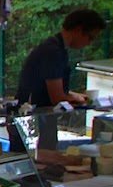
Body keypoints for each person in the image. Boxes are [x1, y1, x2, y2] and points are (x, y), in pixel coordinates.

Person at [9, 8, 106, 150]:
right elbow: (57, 98)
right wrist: (80, 102)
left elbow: (50, 85)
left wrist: (75, 95)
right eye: (91, 37)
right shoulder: (53, 52)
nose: (90, 43)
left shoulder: (56, 48)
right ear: (78, 30)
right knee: (40, 158)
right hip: (33, 119)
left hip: (37, 117)